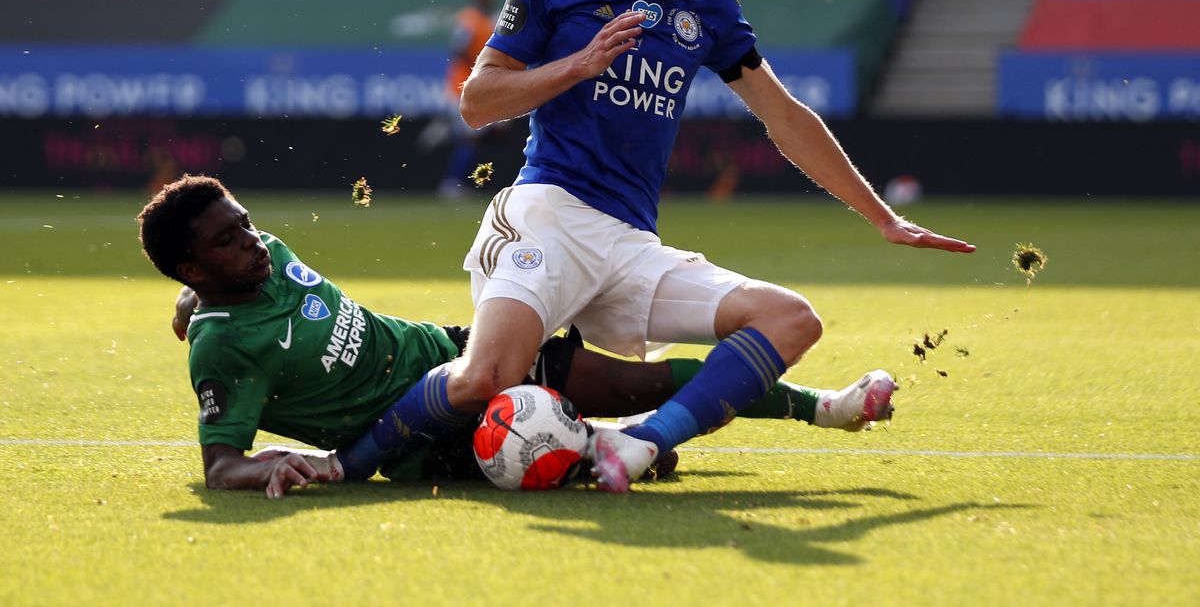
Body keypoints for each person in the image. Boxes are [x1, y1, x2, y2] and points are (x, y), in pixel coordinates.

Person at [340, 0, 975, 493]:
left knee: (792, 320)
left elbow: (785, 117)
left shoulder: (708, 8)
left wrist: (883, 217)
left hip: (630, 242)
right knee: (485, 379)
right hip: (548, 216)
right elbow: (477, 102)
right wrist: (578, 65)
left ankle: (638, 443)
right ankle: (342, 465)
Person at [139, 174, 884, 498]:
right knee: (590, 458)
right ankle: (601, 448)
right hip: (425, 438)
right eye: (229, 240)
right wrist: (269, 465)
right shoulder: (224, 348)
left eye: (244, 222)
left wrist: (189, 297)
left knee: (636, 381)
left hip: (449, 350)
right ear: (191, 262)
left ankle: (825, 407)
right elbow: (219, 464)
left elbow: (212, 292)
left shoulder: (254, 256)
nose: (253, 241)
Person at [437, 0, 496, 198]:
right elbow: (458, 48)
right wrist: (481, 62)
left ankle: (459, 181)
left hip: (478, 86)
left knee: (477, 136)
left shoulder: (487, 19)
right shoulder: (470, 19)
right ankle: (453, 184)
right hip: (461, 87)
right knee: (471, 137)